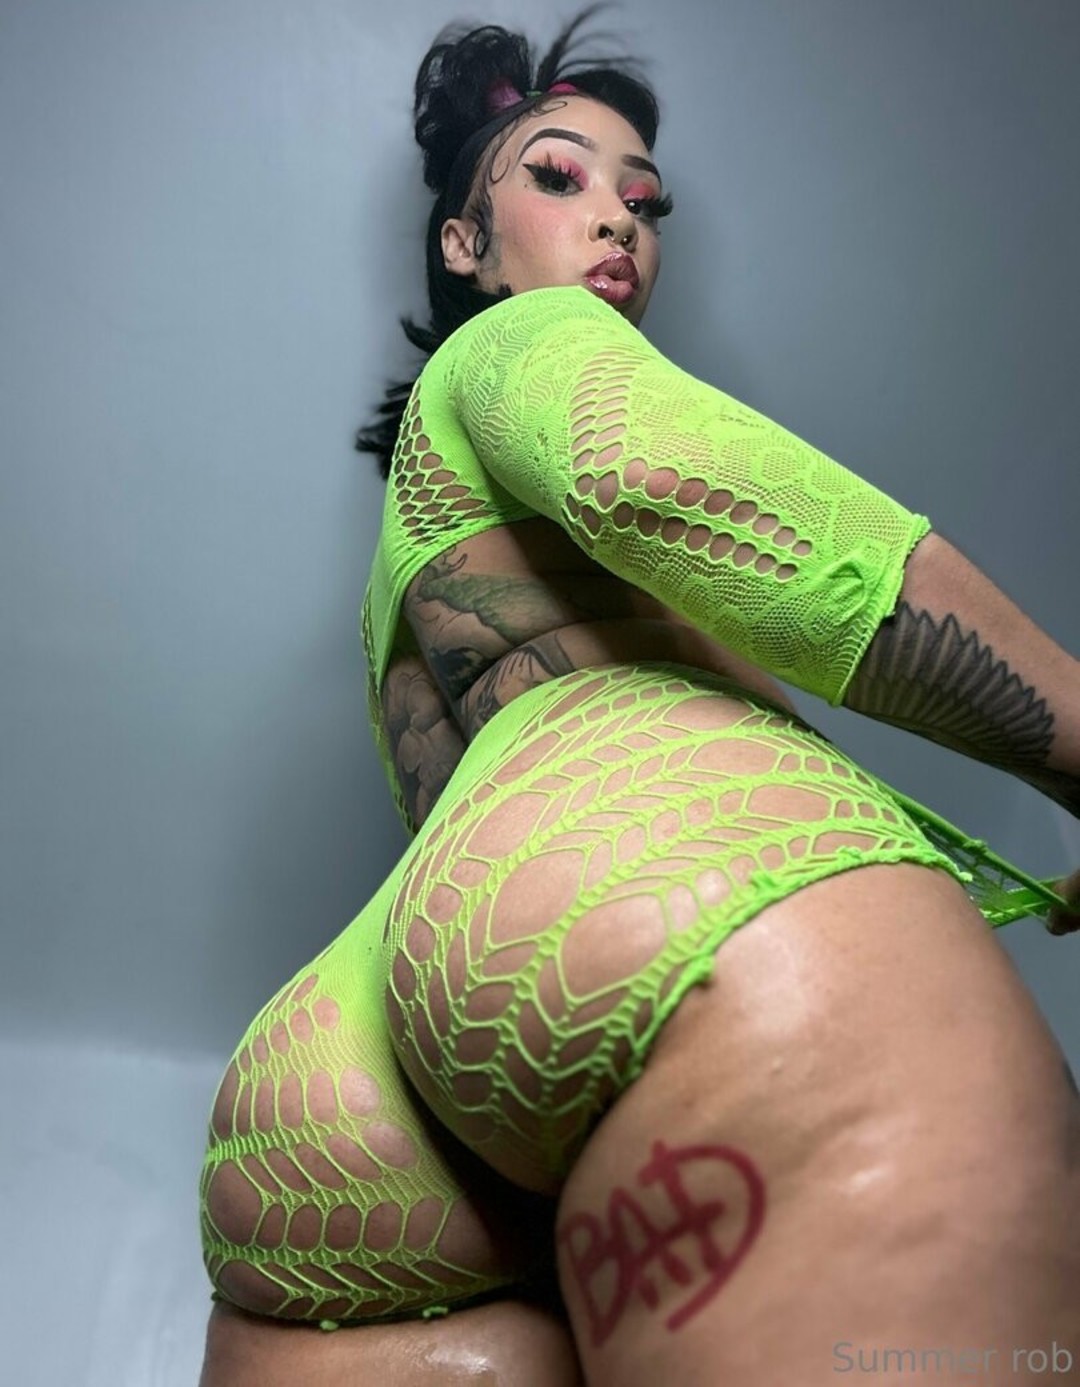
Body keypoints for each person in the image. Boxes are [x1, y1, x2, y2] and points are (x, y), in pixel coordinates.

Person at [197, 6, 1080, 1383]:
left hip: (342, 1074)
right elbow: (650, 477)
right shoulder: (521, 344)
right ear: (464, 244)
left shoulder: (411, 558)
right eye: (559, 177)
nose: (618, 219)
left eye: (644, 201)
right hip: (653, 867)